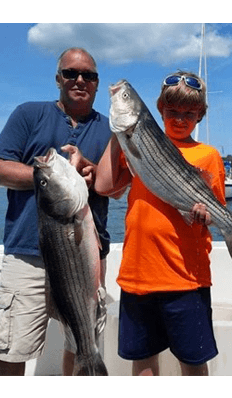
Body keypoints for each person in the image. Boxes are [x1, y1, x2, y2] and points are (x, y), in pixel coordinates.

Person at [95, 71, 225, 376]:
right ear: (158, 110)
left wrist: (207, 216)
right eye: (172, 112)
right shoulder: (140, 142)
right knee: (142, 362)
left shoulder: (208, 155)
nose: (180, 119)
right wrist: (120, 133)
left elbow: (214, 209)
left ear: (200, 115)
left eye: (189, 114)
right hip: (137, 274)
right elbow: (103, 185)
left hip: (185, 278)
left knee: (193, 362)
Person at [0, 48, 112, 376]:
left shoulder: (108, 131)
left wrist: (89, 171)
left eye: (88, 75)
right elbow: (1, 167)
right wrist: (47, 177)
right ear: (58, 78)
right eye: (71, 73)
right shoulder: (28, 114)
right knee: (12, 348)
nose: (79, 80)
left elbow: (115, 187)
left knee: (80, 342)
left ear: (96, 82)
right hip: (26, 256)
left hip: (86, 256)